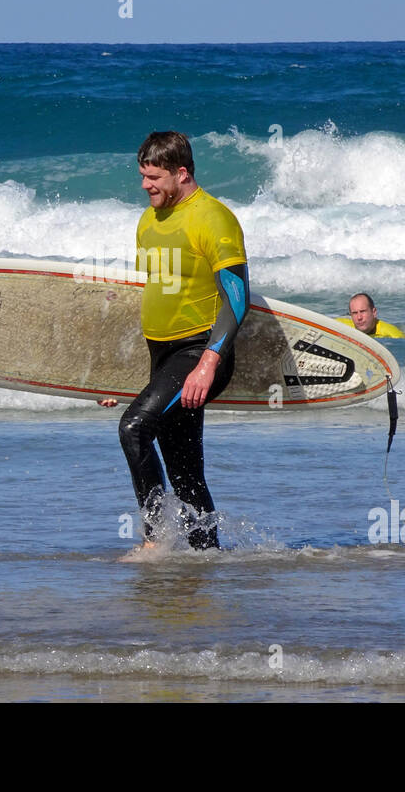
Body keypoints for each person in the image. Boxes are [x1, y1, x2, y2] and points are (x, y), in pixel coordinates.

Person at [98, 131, 250, 553]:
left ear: (181, 173)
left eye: (155, 177)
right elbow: (153, 294)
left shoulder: (213, 218)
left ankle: (154, 538)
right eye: (143, 175)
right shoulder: (148, 220)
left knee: (134, 428)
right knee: (184, 471)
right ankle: (207, 557)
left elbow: (237, 299)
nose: (146, 185)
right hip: (161, 356)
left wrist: (208, 362)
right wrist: (111, 376)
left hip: (199, 352)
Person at [339, 292, 405, 338]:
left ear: (374, 312)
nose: (359, 317)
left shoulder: (391, 334)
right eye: (355, 313)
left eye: (363, 311)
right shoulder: (342, 325)